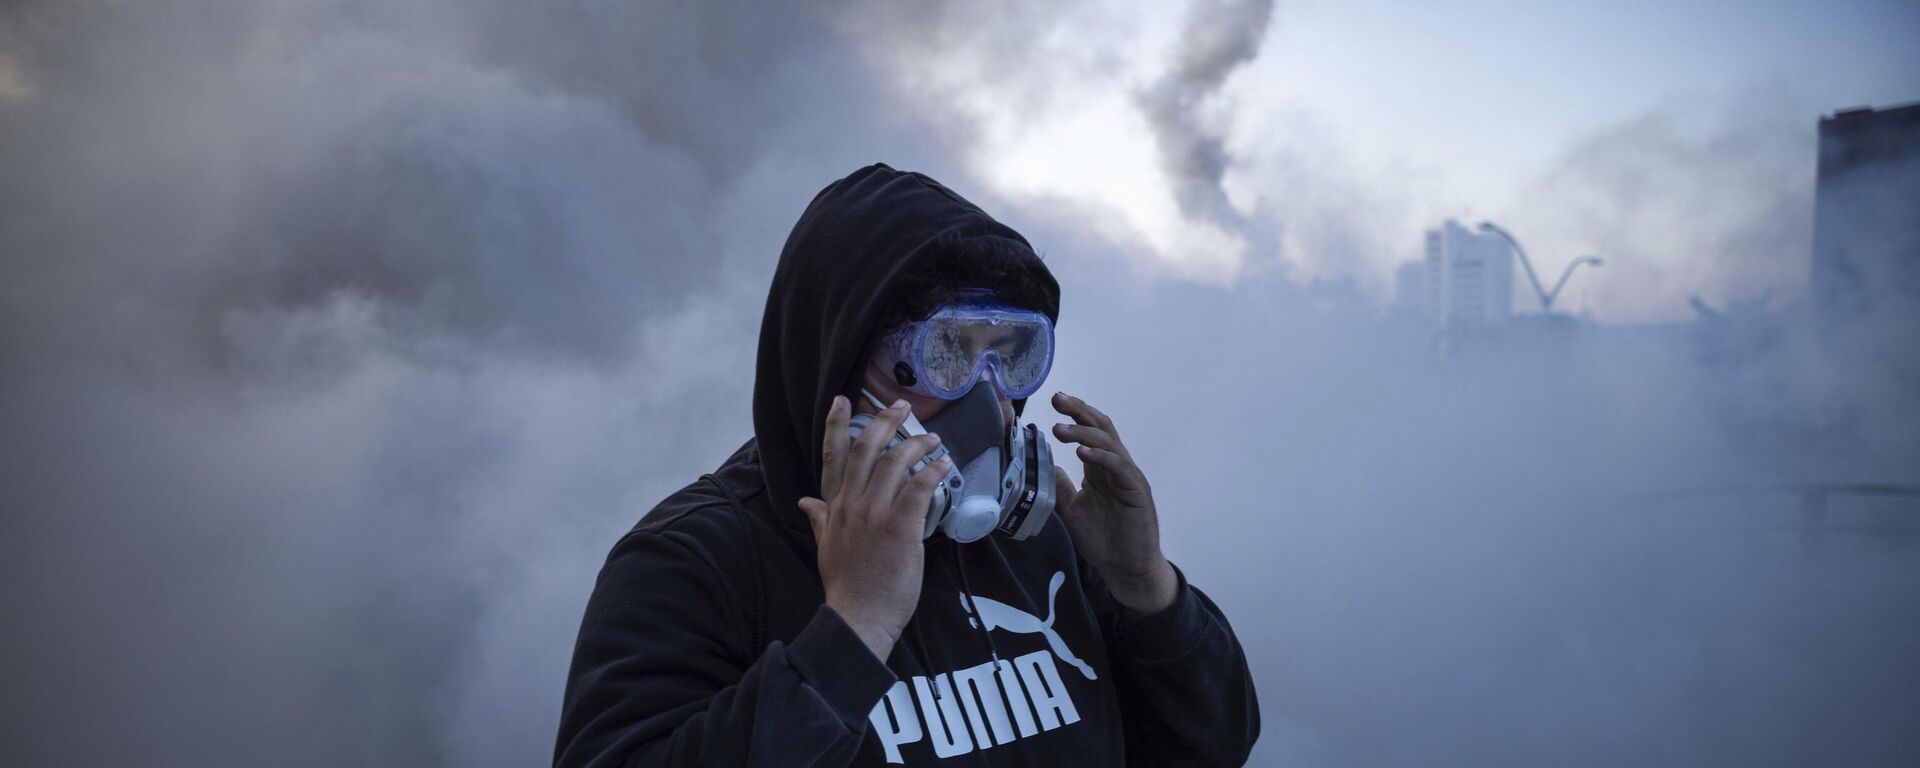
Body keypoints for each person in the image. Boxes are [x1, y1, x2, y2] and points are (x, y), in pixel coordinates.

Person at [554, 164, 1259, 767]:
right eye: (944, 355)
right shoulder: (693, 564)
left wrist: (1147, 591)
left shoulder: (1041, 542)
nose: (990, 404)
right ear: (835, 360)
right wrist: (853, 627)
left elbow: (1212, 747)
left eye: (1010, 356)